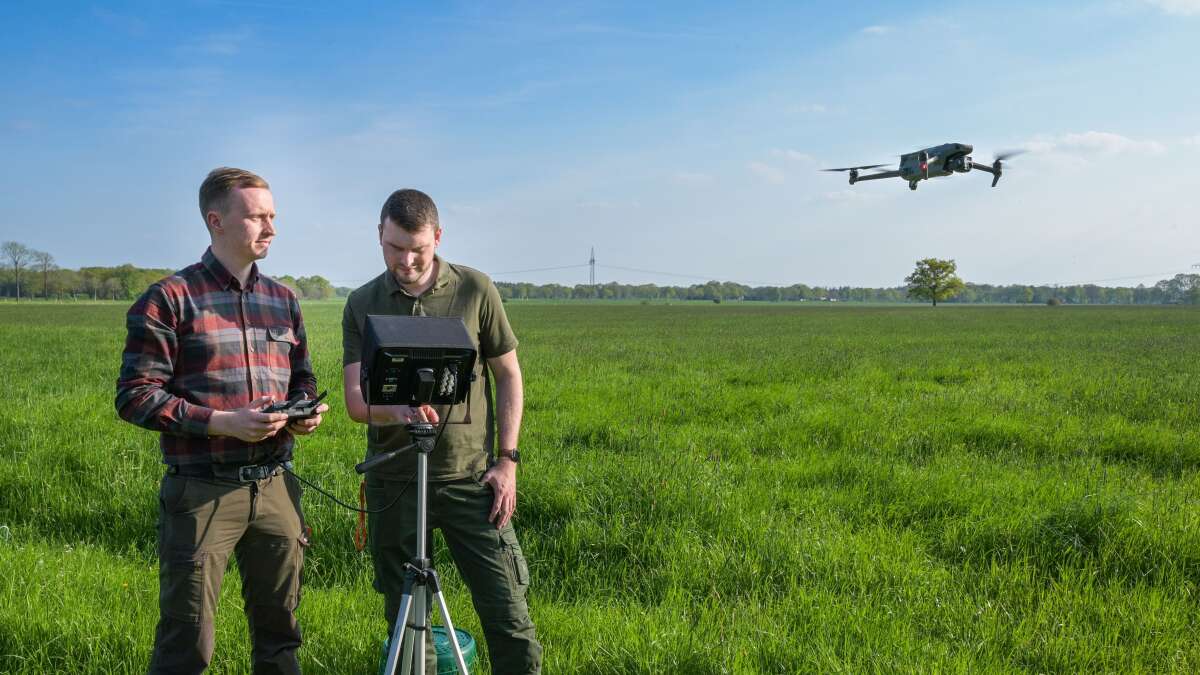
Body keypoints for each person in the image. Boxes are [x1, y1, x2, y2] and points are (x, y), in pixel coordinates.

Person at [115, 167, 329, 674]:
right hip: (202, 492)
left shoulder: (283, 299)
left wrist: (303, 412)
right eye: (257, 217)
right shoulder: (169, 299)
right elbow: (134, 396)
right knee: (186, 644)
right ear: (216, 221)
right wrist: (221, 422)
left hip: (277, 487)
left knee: (281, 637)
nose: (271, 228)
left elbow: (302, 377)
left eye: (272, 216)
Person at [342, 189, 541, 674]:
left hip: (470, 479)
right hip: (396, 484)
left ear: (438, 237)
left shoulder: (474, 289)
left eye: (418, 249)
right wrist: (399, 414)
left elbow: (508, 374)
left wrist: (507, 461)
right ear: (379, 235)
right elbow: (355, 401)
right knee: (409, 619)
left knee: (507, 609)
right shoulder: (362, 302)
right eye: (394, 247)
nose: (406, 260)